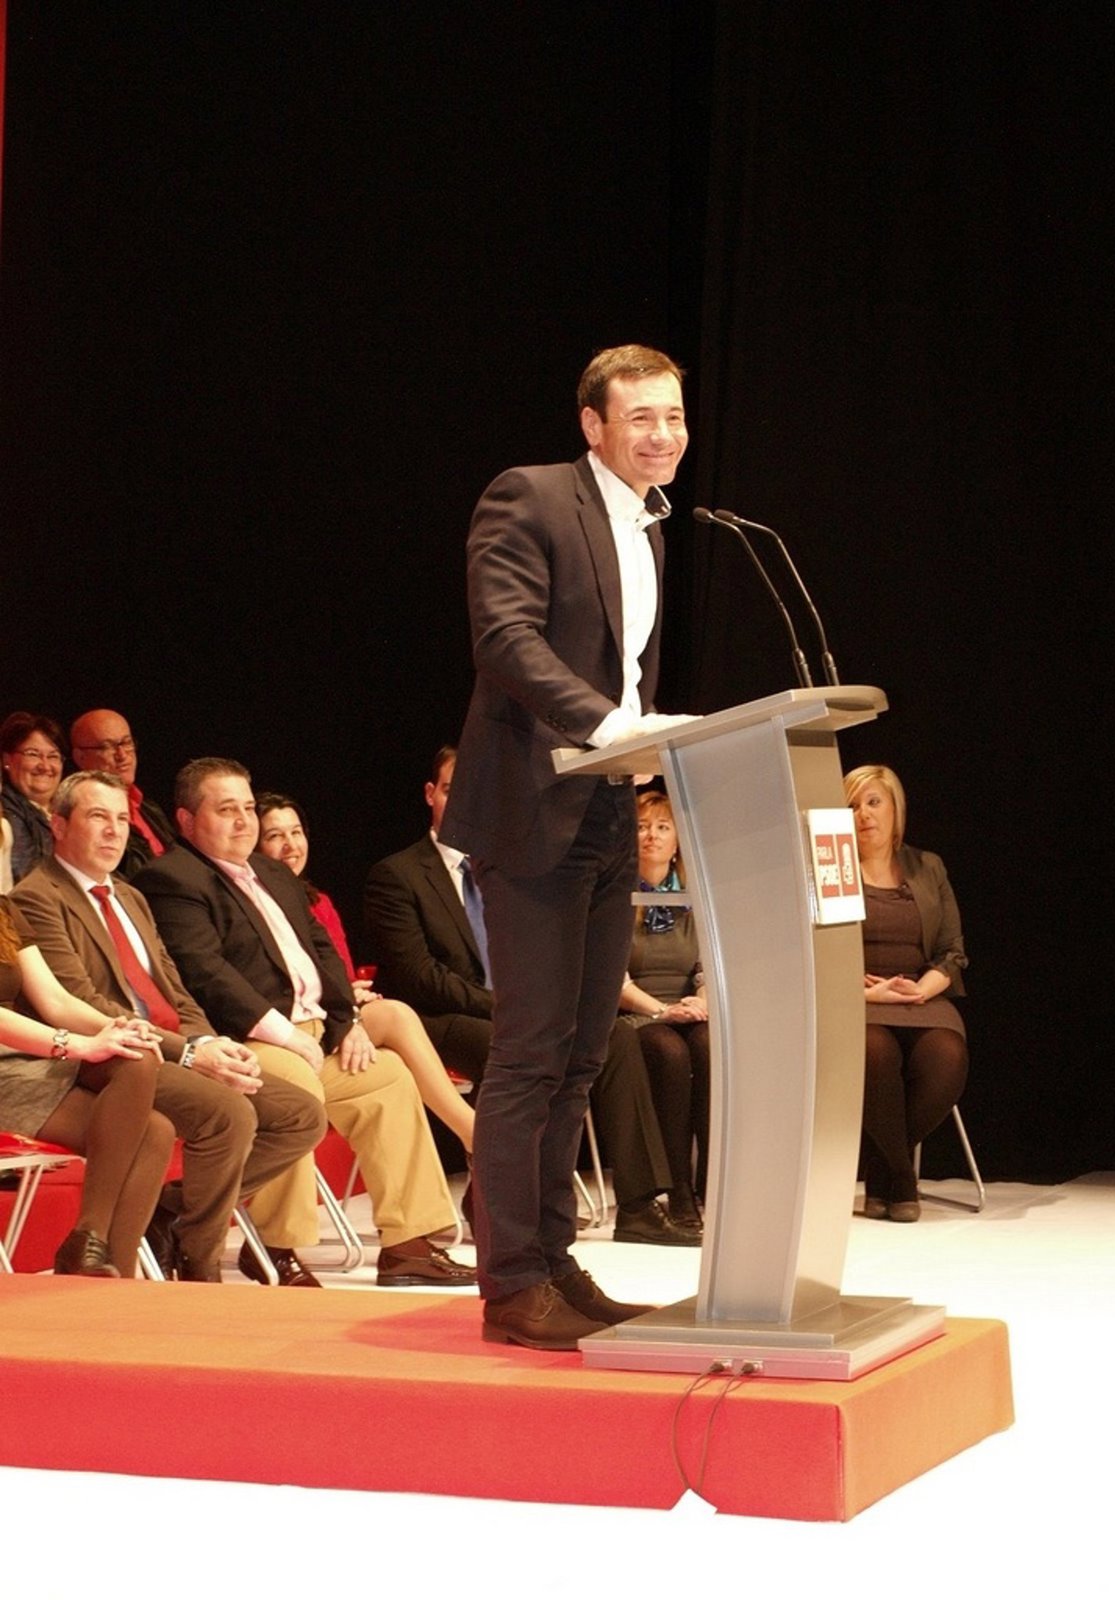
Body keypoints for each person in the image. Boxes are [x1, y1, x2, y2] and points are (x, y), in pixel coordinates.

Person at [440, 343, 694, 1349]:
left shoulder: (651, 528)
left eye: (673, 417)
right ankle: (510, 1283)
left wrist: (636, 742)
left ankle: (553, 1261)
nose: (663, 435)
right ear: (593, 424)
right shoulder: (532, 497)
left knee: (585, 1055)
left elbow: (626, 671)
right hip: (532, 808)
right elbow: (505, 639)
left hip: (606, 808)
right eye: (641, 417)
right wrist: (609, 724)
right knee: (530, 1054)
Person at [135, 758, 476, 1289]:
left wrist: (346, 1021)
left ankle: (408, 1246)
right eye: (226, 810)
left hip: (316, 1033)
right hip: (245, 1041)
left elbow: (324, 953)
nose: (243, 821)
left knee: (387, 1078)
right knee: (294, 1089)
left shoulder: (272, 873)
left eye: (248, 807)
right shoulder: (172, 878)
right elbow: (205, 973)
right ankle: (276, 1246)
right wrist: (286, 1035)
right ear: (186, 819)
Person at [363, 745, 691, 1244]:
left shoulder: (514, 868)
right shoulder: (398, 875)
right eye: (452, 789)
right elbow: (419, 976)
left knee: (615, 1037)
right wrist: (510, 1007)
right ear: (431, 794)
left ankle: (639, 1207)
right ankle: (508, 1202)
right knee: (519, 1050)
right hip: (441, 1020)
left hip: (518, 1010)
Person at [12, 771, 328, 1282]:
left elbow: (174, 989)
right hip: (105, 1057)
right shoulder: (36, 897)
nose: (114, 831)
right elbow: (78, 999)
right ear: (60, 825)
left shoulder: (130, 896)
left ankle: (172, 1213)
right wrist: (188, 1053)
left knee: (300, 1114)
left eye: (121, 819)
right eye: (98, 817)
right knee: (228, 1115)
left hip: (166, 1045)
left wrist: (209, 1042)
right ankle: (201, 1262)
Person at [255, 789, 475, 1152]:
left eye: (296, 832)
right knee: (396, 1017)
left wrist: (350, 994)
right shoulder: (254, 907)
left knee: (394, 1039)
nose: (290, 845)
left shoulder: (318, 902)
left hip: (338, 1012)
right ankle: (472, 1132)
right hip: (295, 1026)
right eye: (275, 835)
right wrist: (343, 999)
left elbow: (339, 971)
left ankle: (472, 1135)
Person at [0, 892, 174, 1277]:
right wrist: (76, 1045)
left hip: (29, 1053)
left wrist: (116, 1028)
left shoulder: (3, 909)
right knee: (152, 1132)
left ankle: (97, 1255)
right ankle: (90, 1249)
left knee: (137, 1061)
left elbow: (56, 1001)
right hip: (17, 1062)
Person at [844, 764, 969, 1223]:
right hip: (858, 1000)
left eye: (874, 802)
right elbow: (815, 951)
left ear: (896, 810)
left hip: (920, 996)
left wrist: (919, 989)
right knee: (874, 1054)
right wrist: (868, 993)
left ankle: (882, 1167)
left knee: (947, 1058)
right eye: (852, 806)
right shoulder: (831, 869)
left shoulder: (927, 866)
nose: (863, 814)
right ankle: (901, 1176)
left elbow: (952, 952)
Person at [618, 790, 709, 1235]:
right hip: (639, 1015)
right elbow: (614, 981)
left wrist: (703, 1000)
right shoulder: (617, 896)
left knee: (710, 1047)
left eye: (661, 826)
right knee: (671, 1054)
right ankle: (678, 1189)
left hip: (688, 1010)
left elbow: (707, 967)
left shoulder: (695, 897)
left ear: (677, 841)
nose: (650, 835)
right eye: (641, 826)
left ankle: (714, 1181)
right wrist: (662, 1010)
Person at [70, 708, 175, 877]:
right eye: (107, 747)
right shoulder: (80, 815)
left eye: (126, 743)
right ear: (80, 757)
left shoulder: (148, 808)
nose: (122, 755)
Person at [1, 712, 66, 883]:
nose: (45, 766)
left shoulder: (69, 808)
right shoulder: (7, 810)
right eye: (33, 754)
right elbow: (26, 878)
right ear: (7, 760)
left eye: (53, 756)